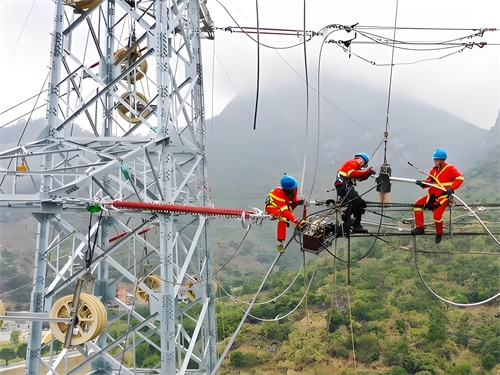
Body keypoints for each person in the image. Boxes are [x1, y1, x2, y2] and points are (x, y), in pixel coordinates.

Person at [411, 148, 464, 244]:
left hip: (443, 196)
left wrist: (452, 188)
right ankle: (420, 227)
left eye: (438, 159)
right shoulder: (433, 170)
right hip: (432, 195)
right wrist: (422, 183)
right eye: (435, 159)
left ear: (443, 160)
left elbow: (460, 178)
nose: (436, 161)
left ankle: (439, 233)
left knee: (437, 216)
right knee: (417, 205)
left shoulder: (450, 168)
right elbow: (429, 182)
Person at [334, 153, 376, 233]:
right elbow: (352, 173)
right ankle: (352, 222)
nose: (363, 166)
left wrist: (368, 173)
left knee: (361, 204)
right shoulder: (352, 162)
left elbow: (359, 178)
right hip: (344, 186)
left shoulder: (354, 165)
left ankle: (350, 219)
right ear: (361, 159)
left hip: (345, 187)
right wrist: (366, 171)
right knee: (358, 202)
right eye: (364, 164)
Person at [265, 174, 307, 253]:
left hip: (285, 204)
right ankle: (280, 241)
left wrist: (298, 201)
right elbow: (284, 211)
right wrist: (295, 221)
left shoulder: (294, 187)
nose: (295, 189)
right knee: (283, 218)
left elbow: (294, 198)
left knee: (298, 206)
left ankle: (301, 222)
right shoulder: (278, 193)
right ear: (288, 189)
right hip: (272, 207)